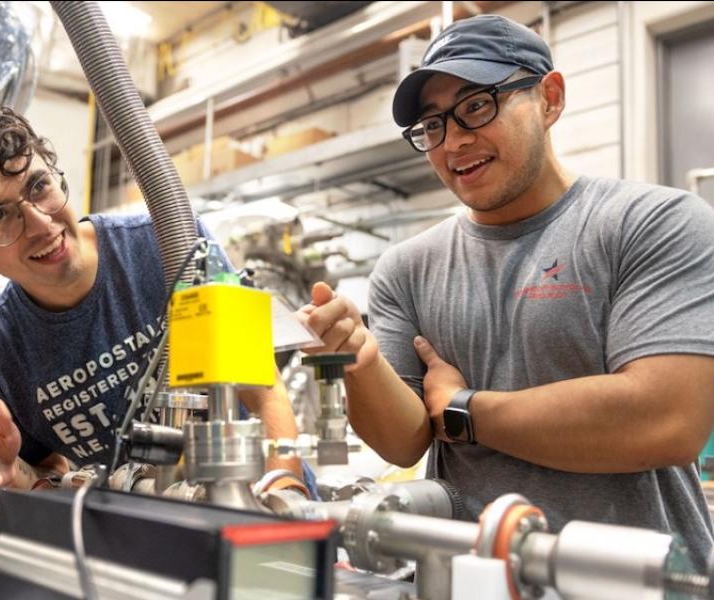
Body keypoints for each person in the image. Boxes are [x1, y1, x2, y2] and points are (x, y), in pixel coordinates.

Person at [298, 14, 714, 567]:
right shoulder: (406, 267)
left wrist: (462, 410)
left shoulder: (651, 222)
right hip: (472, 577)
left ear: (550, 98)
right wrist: (361, 361)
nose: (455, 141)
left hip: (639, 578)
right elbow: (403, 442)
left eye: (476, 105)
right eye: (432, 125)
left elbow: (666, 419)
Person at [0, 99, 305, 492]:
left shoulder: (169, 243)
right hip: (146, 549)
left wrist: (284, 494)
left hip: (261, 508)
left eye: (38, 186)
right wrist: (19, 475)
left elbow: (263, 390)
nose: (41, 224)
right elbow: (51, 472)